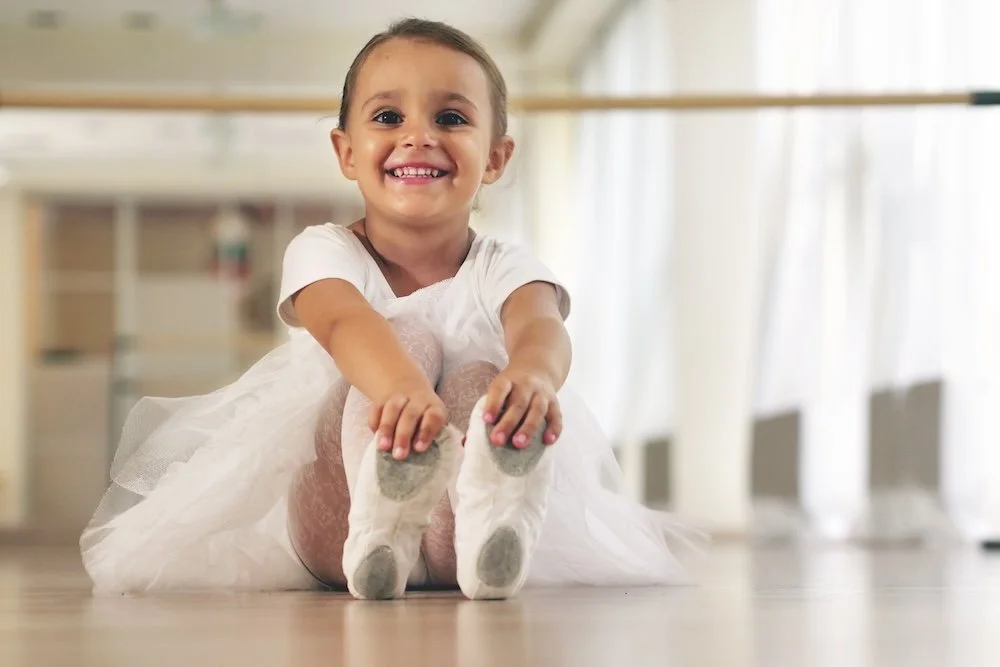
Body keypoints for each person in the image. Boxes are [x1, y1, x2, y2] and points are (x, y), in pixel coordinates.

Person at [80, 17, 700, 600]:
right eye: (387, 115)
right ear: (346, 151)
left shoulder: (502, 264)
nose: (418, 134)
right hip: (339, 518)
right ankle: (382, 524)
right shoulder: (325, 250)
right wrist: (402, 389)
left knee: (481, 383)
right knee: (403, 335)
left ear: (496, 158)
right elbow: (344, 322)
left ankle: (494, 522)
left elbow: (540, 322)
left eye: (452, 117)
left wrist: (532, 377)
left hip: (456, 528)